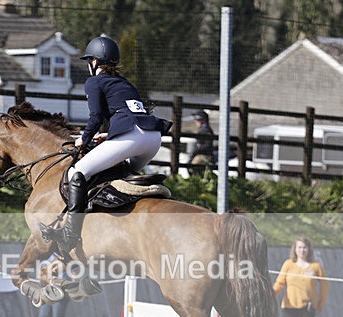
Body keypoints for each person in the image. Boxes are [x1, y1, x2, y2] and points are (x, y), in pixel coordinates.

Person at [40, 35, 172, 251]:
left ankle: (70, 234)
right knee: (121, 172)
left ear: (95, 61)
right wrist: (109, 136)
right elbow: (129, 112)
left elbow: (96, 117)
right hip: (152, 138)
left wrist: (84, 139)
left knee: (76, 173)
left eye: (89, 61)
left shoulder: (94, 82)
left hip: (132, 137)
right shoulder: (125, 83)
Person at [272, 236, 329, 317]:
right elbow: (280, 283)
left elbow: (324, 285)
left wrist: (320, 304)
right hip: (289, 307)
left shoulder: (315, 266)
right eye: (299, 247)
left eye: (304, 247)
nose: (302, 250)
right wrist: (270, 295)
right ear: (295, 249)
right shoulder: (288, 264)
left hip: (307, 308)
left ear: (309, 249)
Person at [188, 110, 214, 174]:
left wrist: (197, 150)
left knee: (191, 167)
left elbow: (207, 145)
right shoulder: (203, 129)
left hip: (205, 155)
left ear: (202, 121)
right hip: (201, 153)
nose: (195, 122)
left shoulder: (206, 130)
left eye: (197, 120)